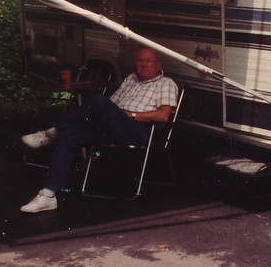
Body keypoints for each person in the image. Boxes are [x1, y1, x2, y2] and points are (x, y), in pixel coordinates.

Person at [20, 47, 178, 213]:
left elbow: (163, 116)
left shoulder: (166, 83)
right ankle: (48, 195)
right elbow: (110, 106)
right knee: (70, 135)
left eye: (148, 61)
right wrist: (109, 115)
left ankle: (51, 133)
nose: (143, 65)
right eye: (140, 61)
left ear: (158, 64)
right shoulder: (130, 79)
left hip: (138, 131)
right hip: (113, 127)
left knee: (99, 100)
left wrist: (129, 115)